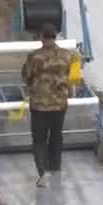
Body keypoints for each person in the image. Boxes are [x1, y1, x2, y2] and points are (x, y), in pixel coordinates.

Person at [20, 26, 77, 187]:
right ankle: (55, 168)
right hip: (59, 104)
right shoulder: (68, 55)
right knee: (56, 136)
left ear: (42, 37)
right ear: (56, 37)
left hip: (39, 105)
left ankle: (42, 173)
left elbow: (26, 76)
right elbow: (73, 75)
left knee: (39, 139)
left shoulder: (35, 57)